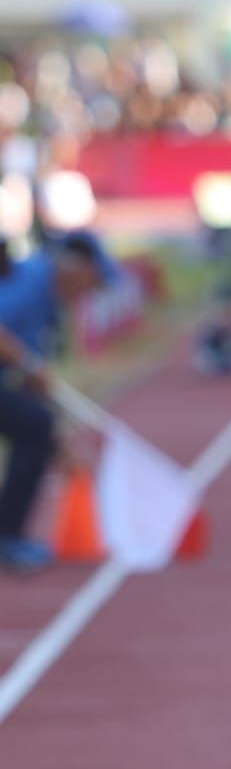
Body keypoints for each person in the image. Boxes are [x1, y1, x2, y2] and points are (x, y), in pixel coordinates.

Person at [0, 232, 109, 572]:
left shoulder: (49, 301)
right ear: (78, 271)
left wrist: (60, 446)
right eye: (94, 282)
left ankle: (9, 534)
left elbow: (35, 386)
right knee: (35, 425)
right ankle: (8, 536)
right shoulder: (33, 281)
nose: (89, 294)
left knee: (37, 426)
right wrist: (27, 363)